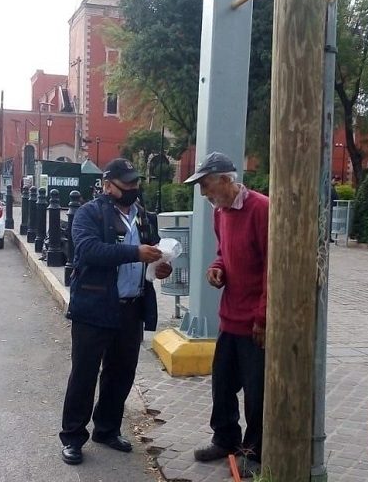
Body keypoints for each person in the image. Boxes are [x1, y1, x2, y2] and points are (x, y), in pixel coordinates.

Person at [60, 158, 171, 465]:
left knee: (121, 374)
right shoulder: (88, 213)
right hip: (94, 307)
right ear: (108, 185)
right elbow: (87, 250)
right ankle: (72, 437)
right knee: (84, 375)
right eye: (127, 184)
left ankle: (107, 429)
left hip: (131, 307)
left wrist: (159, 267)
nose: (133, 189)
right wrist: (134, 252)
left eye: (136, 183)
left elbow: (152, 253)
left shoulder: (144, 217)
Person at [185, 153, 270, 476]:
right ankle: (225, 438)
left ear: (225, 179)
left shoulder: (261, 209)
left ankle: (253, 450)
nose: (205, 194)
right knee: (222, 384)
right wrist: (217, 269)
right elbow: (223, 252)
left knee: (256, 392)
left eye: (206, 185)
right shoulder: (220, 213)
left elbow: (271, 266)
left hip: (253, 321)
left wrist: (262, 317)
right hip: (230, 315)